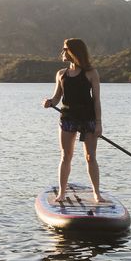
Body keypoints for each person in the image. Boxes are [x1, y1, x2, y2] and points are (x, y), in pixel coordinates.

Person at [42, 38, 105, 204]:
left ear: (74, 52)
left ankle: (97, 194)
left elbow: (96, 100)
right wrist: (49, 102)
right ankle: (62, 193)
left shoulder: (91, 73)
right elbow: (57, 98)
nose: (62, 52)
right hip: (68, 119)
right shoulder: (61, 74)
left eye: (65, 49)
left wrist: (98, 123)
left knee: (91, 157)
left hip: (88, 119)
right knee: (66, 156)